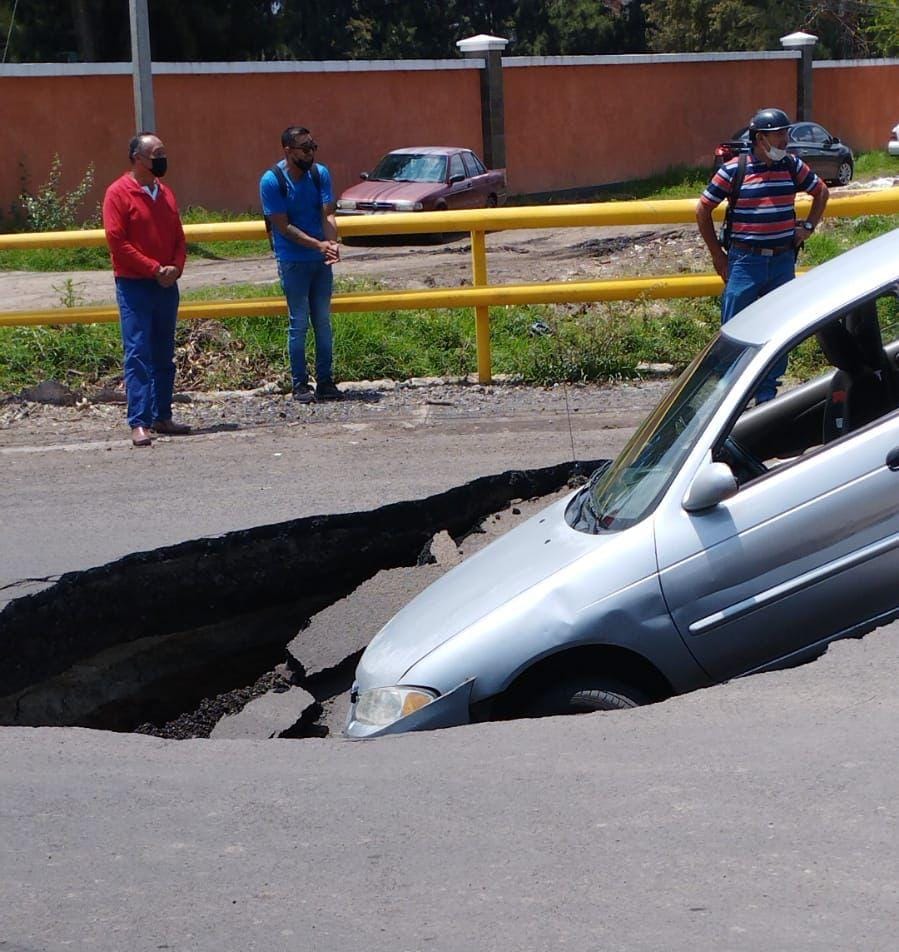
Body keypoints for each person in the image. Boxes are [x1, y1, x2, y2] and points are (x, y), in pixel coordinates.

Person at [697, 107, 830, 403]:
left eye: (785, 133)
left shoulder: (792, 166)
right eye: (778, 135)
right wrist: (718, 256)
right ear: (761, 138)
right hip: (745, 261)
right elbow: (703, 209)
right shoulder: (734, 170)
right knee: (736, 330)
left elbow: (821, 192)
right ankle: (728, 398)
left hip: (782, 260)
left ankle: (767, 397)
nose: (785, 140)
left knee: (777, 328)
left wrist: (807, 227)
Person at [102, 132, 190, 446]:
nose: (162, 159)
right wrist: (154, 268)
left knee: (164, 353)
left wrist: (176, 268)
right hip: (135, 285)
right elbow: (118, 243)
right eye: (157, 153)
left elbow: (179, 237)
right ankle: (139, 421)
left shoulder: (165, 193)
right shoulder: (118, 193)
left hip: (166, 285)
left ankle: (162, 415)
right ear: (139, 158)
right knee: (138, 353)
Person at [259, 126, 342, 403]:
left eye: (313, 147)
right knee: (299, 324)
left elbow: (327, 215)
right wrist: (318, 245)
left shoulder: (320, 175)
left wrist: (331, 244)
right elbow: (282, 227)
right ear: (288, 150)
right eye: (305, 149)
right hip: (293, 261)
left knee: (323, 322)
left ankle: (326, 381)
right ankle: (299, 384)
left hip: (319, 260)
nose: (310, 153)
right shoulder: (272, 181)